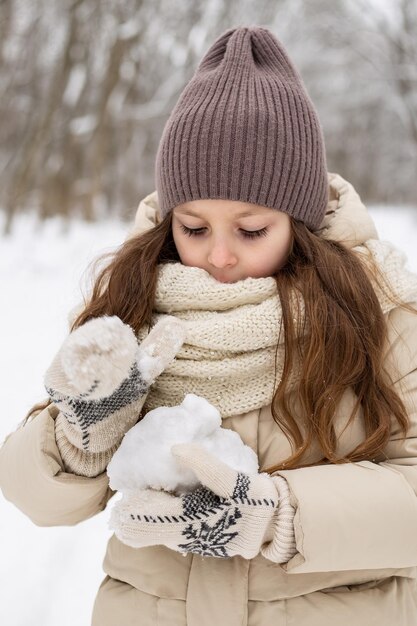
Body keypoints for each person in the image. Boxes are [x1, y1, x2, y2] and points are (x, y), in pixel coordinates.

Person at [1, 25, 417, 626]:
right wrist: (77, 438)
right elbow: (35, 500)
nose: (219, 256)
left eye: (251, 232)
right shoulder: (134, 307)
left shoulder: (379, 315)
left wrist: (279, 516)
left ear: (298, 222)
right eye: (193, 228)